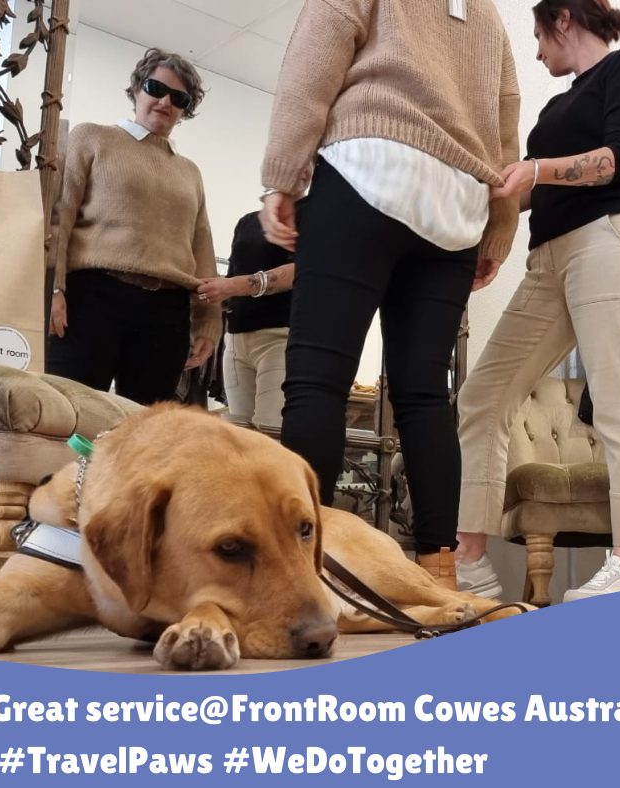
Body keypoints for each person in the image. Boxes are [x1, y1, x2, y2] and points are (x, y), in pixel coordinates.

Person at [259, 0, 520, 589]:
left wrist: (282, 174)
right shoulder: (489, 17)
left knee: (318, 379)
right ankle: (440, 571)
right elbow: (506, 125)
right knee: (425, 395)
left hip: (367, 167)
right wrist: (498, 229)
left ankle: (302, 572)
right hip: (456, 206)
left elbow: (314, 59)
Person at [455, 0, 620, 601]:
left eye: (540, 36)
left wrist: (534, 170)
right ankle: (471, 563)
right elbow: (528, 192)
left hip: (609, 241)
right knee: (484, 395)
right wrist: (487, 212)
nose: (539, 49)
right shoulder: (551, 108)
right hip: (547, 259)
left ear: (564, 20)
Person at [47, 48, 220, 405]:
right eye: (155, 88)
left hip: (166, 313)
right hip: (92, 298)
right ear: (136, 89)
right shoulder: (91, 138)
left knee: (146, 432)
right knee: (71, 412)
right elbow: (58, 219)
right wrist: (53, 289)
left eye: (179, 97)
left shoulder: (190, 171)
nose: (164, 101)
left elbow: (202, 248)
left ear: (186, 108)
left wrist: (208, 322)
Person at [197, 211, 295, 431]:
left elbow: (300, 270)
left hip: (279, 337)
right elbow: (232, 279)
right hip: (236, 339)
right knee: (241, 435)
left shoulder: (310, 215)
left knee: (270, 432)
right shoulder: (247, 222)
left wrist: (230, 286)